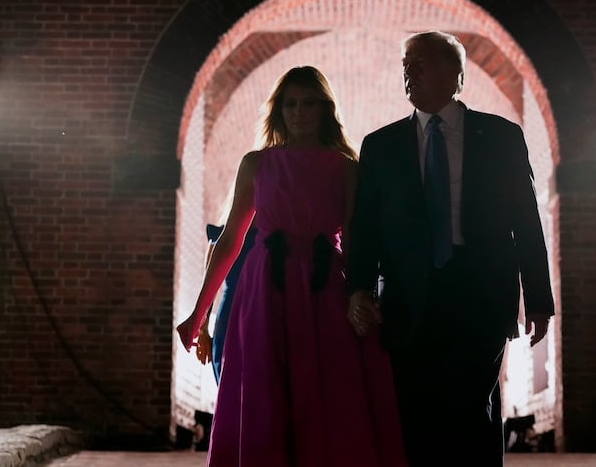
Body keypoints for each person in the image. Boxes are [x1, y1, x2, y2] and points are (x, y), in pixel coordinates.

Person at [177, 66, 406, 467]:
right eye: (290, 104)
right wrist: (199, 314)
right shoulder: (256, 164)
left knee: (330, 389)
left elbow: (357, 241)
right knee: (264, 389)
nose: (299, 113)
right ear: (279, 110)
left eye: (308, 104)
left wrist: (364, 295)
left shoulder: (346, 167)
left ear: (325, 109)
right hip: (265, 287)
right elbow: (229, 240)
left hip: (326, 287)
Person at [346, 31, 555, 467]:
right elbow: (365, 227)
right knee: (414, 410)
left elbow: (525, 220)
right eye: (406, 64)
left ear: (455, 73)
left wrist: (538, 299)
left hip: (481, 292)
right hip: (407, 297)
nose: (409, 70)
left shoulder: (501, 137)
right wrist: (358, 288)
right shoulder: (381, 146)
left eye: (420, 62)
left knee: (472, 405)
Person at [194, 223, 257, 384]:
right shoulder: (224, 231)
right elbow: (209, 281)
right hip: (231, 318)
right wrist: (202, 329)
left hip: (260, 315)